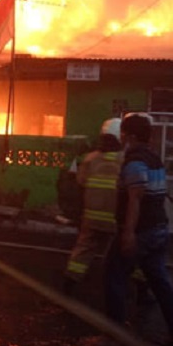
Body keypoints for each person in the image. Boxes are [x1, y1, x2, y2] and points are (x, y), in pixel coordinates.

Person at [104, 112, 173, 346]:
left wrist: (128, 233)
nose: (121, 137)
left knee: (113, 275)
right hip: (160, 229)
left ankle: (115, 335)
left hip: (142, 231)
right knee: (159, 281)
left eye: (123, 133)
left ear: (130, 135)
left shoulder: (135, 160)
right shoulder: (154, 158)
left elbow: (135, 198)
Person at [62, 118, 123, 293]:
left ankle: (69, 284)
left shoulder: (90, 159)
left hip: (91, 218)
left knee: (82, 252)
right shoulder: (125, 160)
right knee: (122, 254)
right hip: (114, 220)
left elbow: (80, 182)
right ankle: (133, 290)